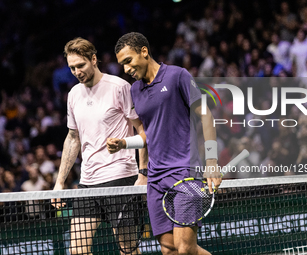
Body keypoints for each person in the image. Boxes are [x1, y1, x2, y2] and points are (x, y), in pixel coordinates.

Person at [108, 32, 221, 255]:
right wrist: (124, 143)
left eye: (128, 61)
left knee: (185, 248)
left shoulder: (177, 75)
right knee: (169, 249)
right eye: (122, 65)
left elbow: (205, 115)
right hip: (155, 179)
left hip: (184, 172)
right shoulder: (135, 90)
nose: (126, 69)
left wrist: (212, 161)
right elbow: (148, 135)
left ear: (144, 51)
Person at [51, 37, 148, 255]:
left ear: (93, 60)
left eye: (81, 65)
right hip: (87, 183)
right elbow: (73, 137)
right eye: (72, 68)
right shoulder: (73, 94)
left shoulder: (120, 87)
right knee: (77, 251)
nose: (77, 71)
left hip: (120, 178)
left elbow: (142, 131)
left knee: (128, 250)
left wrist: (143, 173)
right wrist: (59, 182)